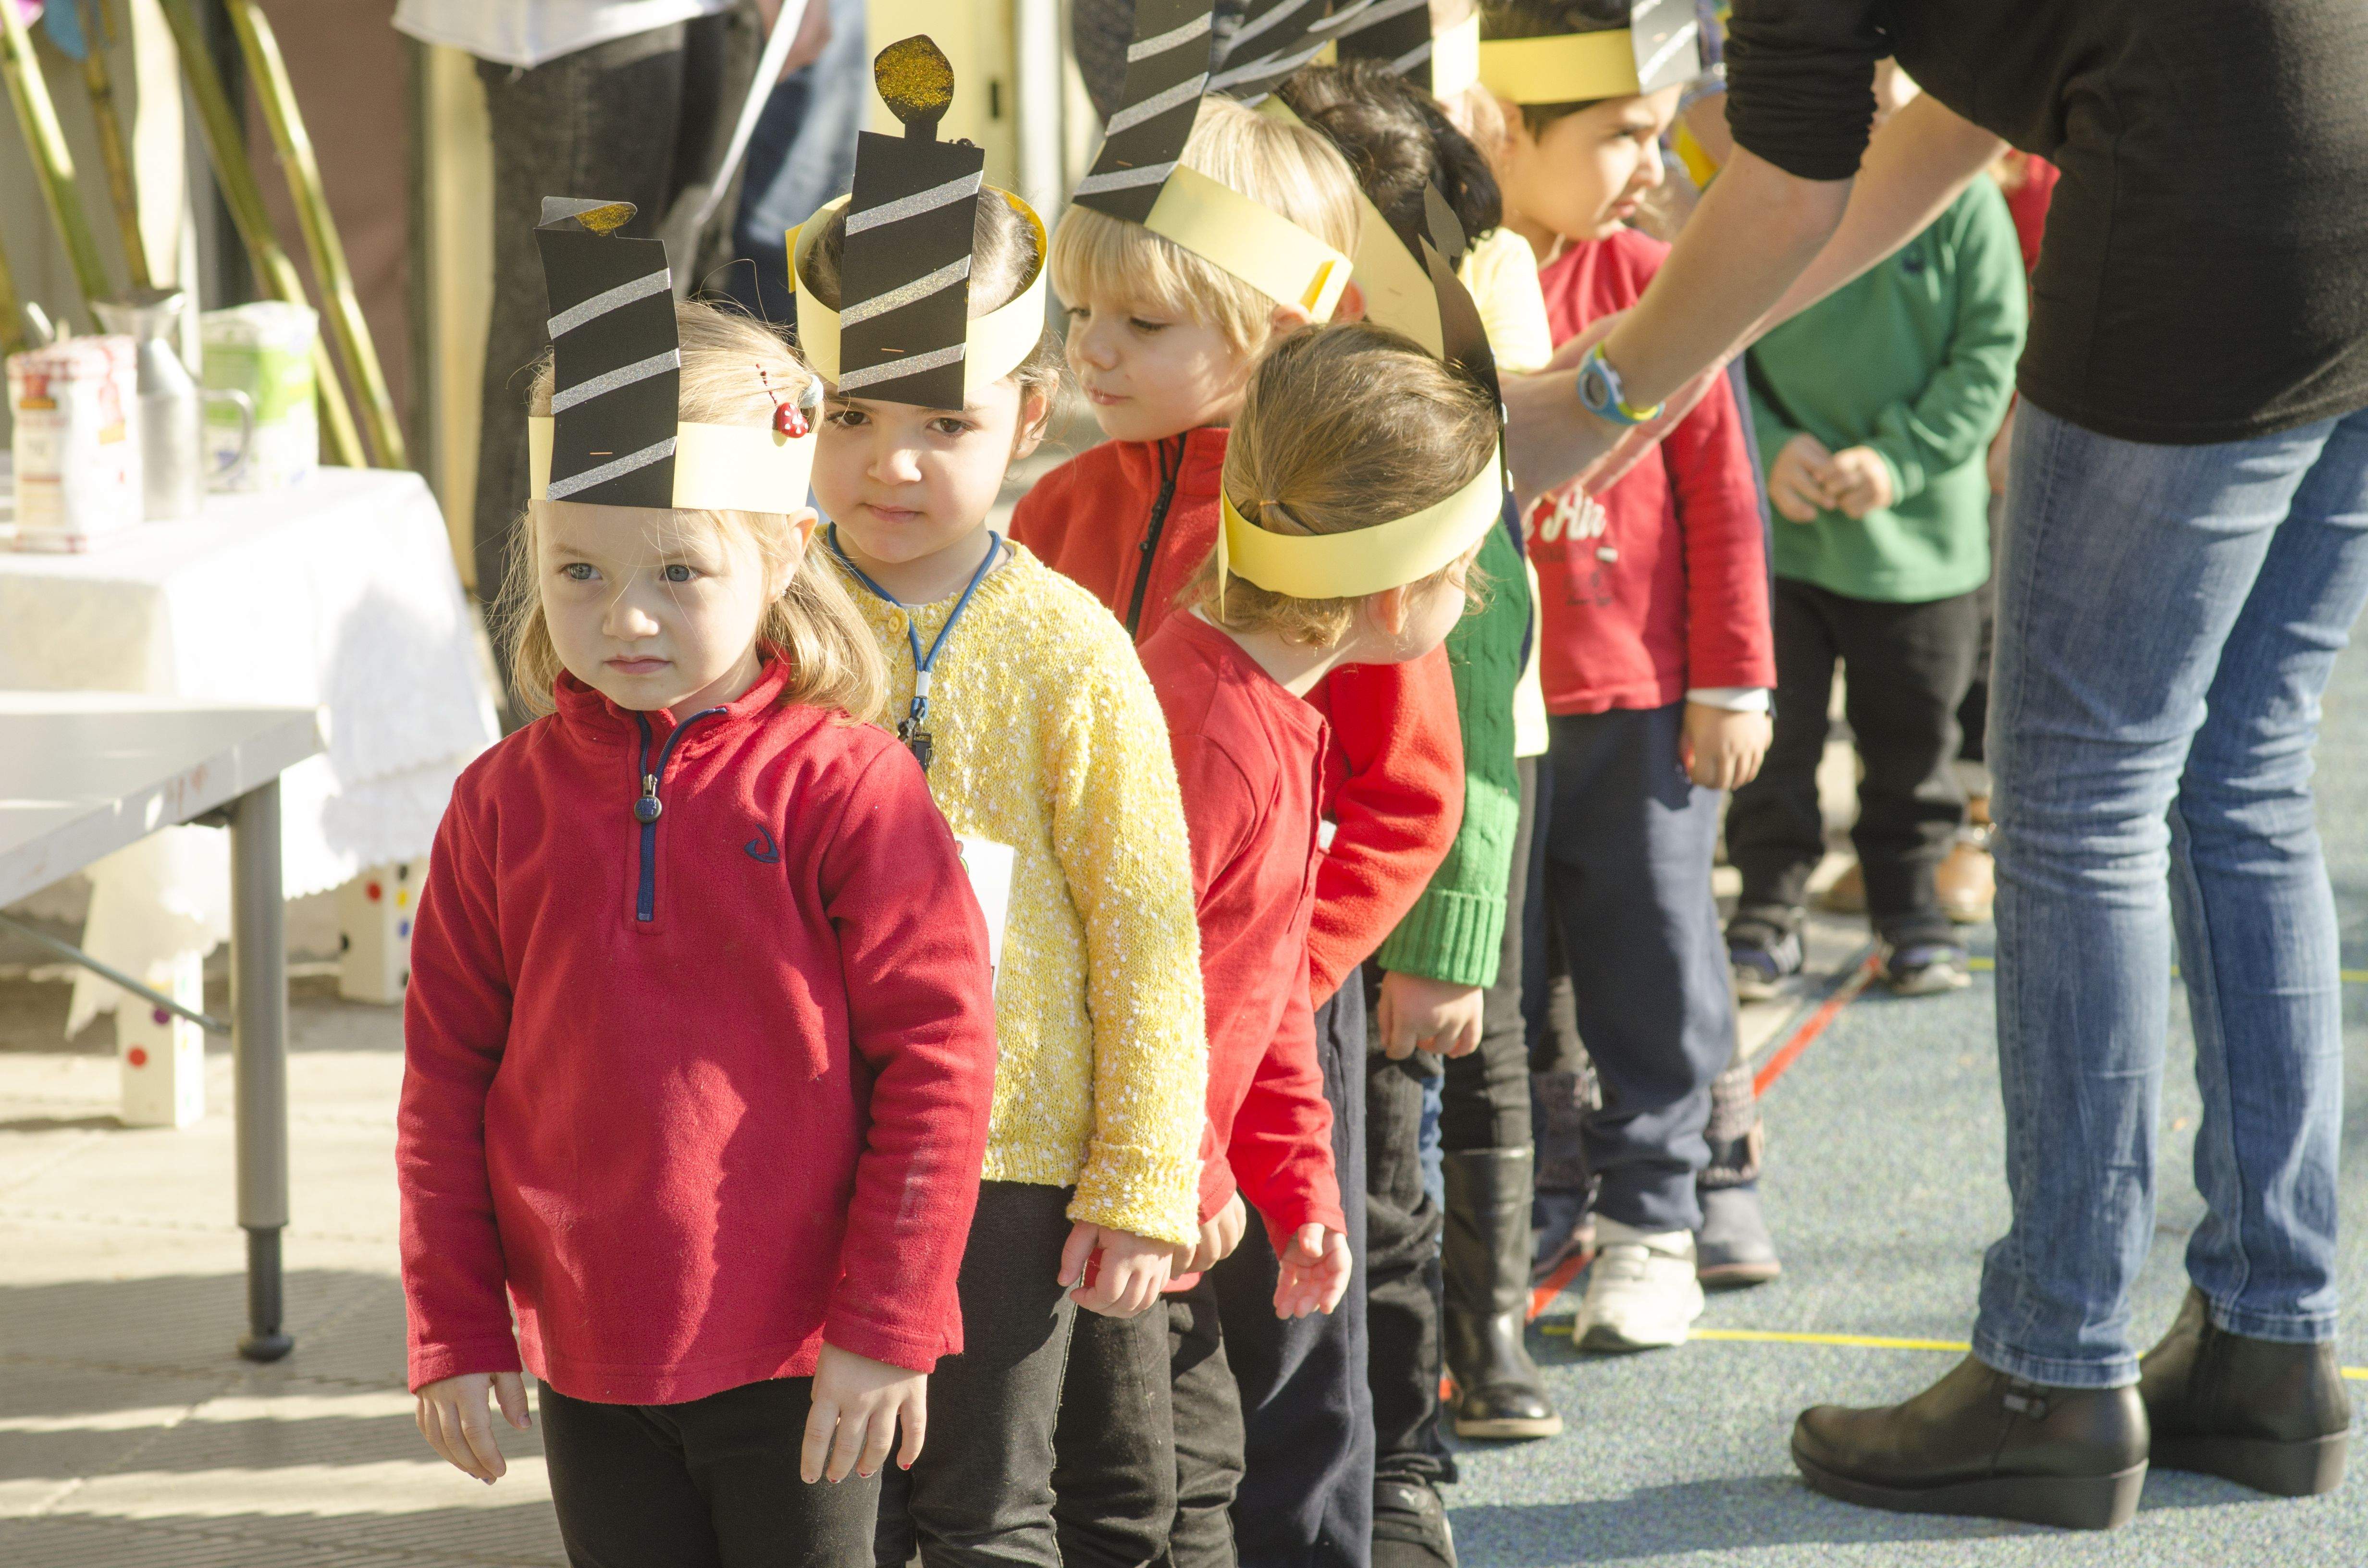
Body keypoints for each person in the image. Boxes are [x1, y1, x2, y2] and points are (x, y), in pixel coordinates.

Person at [1492, 0, 2368, 1531]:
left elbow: (1784, 182)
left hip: (2206, 206)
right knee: (2242, 774)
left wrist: (1605, 395)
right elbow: (1951, 119)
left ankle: (2056, 1362)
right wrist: (1691, 355)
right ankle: (2269, 1341)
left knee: (2083, 801)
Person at [397, 300, 1001, 1567]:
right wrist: (455, 1324)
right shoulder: (496, 804)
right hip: (589, 1363)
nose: (626, 617)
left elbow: (941, 1072)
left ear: (782, 554)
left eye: (680, 571)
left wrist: (888, 1324)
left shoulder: (852, 790)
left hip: (804, 1362)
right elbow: (445, 1083)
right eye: (582, 571)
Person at [1017, 87, 1456, 1568]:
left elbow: (1409, 797)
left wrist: (1286, 973)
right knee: (1144, 1345)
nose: (1092, 352)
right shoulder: (1056, 509)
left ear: (1272, 327)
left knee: (1290, 1339)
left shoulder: (1334, 541)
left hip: (1273, 1011)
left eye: (1141, 324)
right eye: (1082, 313)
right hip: (1104, 1014)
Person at [795, 143, 1211, 1568]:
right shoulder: (766, 626)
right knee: (834, 1505)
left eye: (943, 422)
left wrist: (1145, 1172)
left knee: (989, 1510)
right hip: (808, 1142)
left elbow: (1145, 923)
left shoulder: (1073, 650)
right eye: (850, 416)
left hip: (1013, 1163)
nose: (891, 462)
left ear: (1029, 416)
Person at [1127, 318, 1503, 1568]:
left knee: (1203, 1483)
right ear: (1396, 591)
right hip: (1107, 1231)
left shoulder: (1272, 709)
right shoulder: (1213, 740)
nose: (1477, 594)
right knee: (1152, 1513)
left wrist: (1296, 1181)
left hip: (1162, 1216)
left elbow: (1268, 974)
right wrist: (1180, 1171)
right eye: (1466, 566)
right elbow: (1121, 986)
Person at [1275, 56, 1557, 1568]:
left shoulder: (1413, 413)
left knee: (1385, 1180)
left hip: (1392, 892)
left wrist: (1451, 931)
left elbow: (1483, 663)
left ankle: (1402, 1464)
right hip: (1268, 892)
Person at [1480, 0, 1775, 1353]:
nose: (1651, 164)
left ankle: (1657, 1217)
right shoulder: (1453, 291)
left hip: (1643, 714)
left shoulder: (1659, 288)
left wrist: (1735, 683)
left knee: (1653, 971)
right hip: (1497, 722)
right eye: (1618, 136)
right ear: (1507, 132)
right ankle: (1537, 1194)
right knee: (1509, 979)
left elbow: (1724, 500)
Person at [1723, 62, 2027, 999]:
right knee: (1777, 747)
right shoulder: (1768, 196)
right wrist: (1769, 446)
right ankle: (1766, 914)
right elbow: (1715, 339)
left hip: (1923, 552)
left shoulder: (1966, 208)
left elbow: (1988, 356)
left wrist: (1898, 459)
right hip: (1789, 542)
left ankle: (1910, 914)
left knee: (1913, 751)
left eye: (1898, 74)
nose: (1879, 95)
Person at [394, 0, 765, 647]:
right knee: (561, 372)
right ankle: (538, 708)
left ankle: (667, 667)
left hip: (710, 12)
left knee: (676, 342)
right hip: (577, 23)